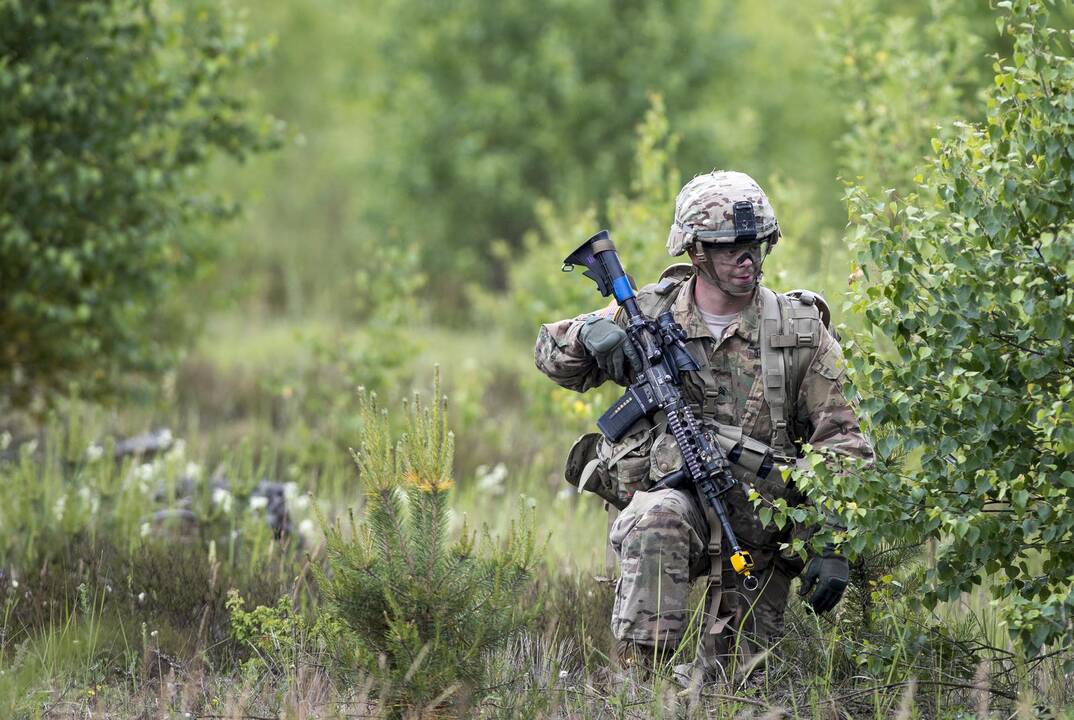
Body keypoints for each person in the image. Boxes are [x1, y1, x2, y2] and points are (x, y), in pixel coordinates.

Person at [533, 170, 873, 681]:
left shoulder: (799, 332)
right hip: (674, 509)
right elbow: (551, 357)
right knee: (660, 516)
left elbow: (844, 445)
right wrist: (591, 336)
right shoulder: (649, 313)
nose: (747, 258)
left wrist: (833, 542)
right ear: (695, 251)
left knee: (738, 686)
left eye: (756, 245)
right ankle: (639, 688)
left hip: (761, 531)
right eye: (729, 247)